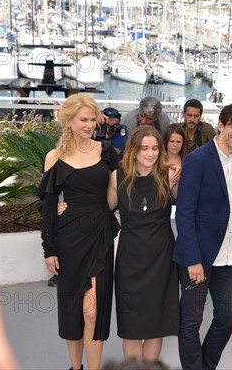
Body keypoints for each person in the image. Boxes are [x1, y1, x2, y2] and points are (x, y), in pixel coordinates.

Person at [59, 126, 180, 363]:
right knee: (131, 326)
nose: (150, 153)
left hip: (162, 259)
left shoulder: (170, 175)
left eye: (155, 148)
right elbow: (100, 210)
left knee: (156, 326)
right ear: (133, 150)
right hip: (130, 259)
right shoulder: (117, 176)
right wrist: (60, 207)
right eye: (144, 148)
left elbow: (190, 206)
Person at [173, 103, 232, 370]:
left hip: (231, 257)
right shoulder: (197, 159)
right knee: (190, 322)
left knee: (228, 317)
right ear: (221, 125)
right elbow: (184, 213)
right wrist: (193, 259)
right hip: (199, 257)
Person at [38, 94, 120, 370]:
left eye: (92, 120)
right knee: (73, 310)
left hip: (99, 235)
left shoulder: (106, 151)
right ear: (68, 121)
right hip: (68, 238)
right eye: (83, 120)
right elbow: (48, 208)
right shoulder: (54, 157)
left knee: (93, 311)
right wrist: (48, 249)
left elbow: (112, 197)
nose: (89, 125)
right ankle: (76, 367)